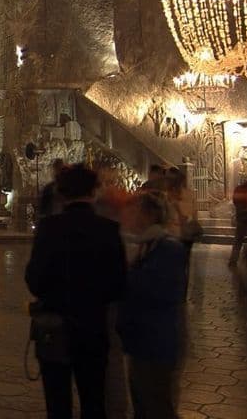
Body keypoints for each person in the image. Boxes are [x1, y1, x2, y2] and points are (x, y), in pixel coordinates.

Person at [26, 164, 127, 419]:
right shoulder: (108, 229)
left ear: (61, 193)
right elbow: (119, 283)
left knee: (57, 402)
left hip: (55, 326)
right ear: (94, 192)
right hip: (93, 326)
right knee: (93, 400)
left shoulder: (49, 228)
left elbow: (34, 278)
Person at [117, 191, 188, 419]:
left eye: (133, 211)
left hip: (156, 341)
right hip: (140, 340)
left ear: (147, 215)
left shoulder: (169, 248)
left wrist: (124, 272)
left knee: (156, 404)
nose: (127, 216)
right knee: (142, 403)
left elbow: (154, 289)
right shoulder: (146, 245)